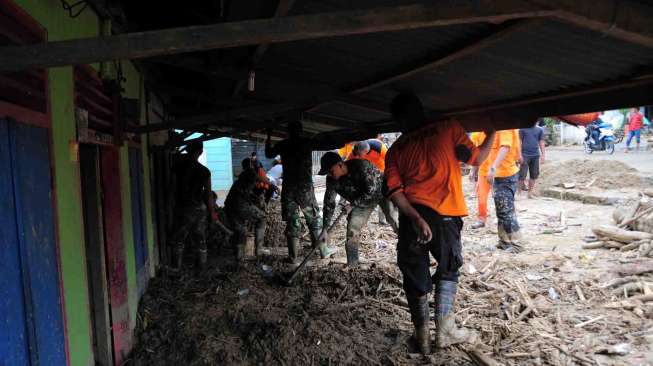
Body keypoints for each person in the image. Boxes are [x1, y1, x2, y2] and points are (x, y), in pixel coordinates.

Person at [385, 93, 495, 354]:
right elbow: (476, 159)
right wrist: (492, 132)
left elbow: (394, 191)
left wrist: (416, 218)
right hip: (444, 215)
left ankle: (421, 336)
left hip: (412, 217)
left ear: (398, 120)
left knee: (414, 272)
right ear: (422, 110)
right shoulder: (447, 127)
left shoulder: (396, 150)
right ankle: (445, 331)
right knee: (448, 268)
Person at [265, 121, 350, 264]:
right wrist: (341, 137)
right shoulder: (306, 142)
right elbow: (330, 145)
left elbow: (268, 154)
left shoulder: (283, 144)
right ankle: (323, 251)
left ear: (288, 131)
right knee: (314, 220)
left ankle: (293, 257)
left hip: (288, 188)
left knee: (292, 222)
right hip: (304, 188)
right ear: (301, 131)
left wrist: (268, 136)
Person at [318, 151, 397, 265]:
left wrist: (352, 204)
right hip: (361, 203)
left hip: (381, 193)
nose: (330, 175)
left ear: (340, 165)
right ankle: (353, 265)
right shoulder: (332, 180)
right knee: (352, 230)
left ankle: (411, 252)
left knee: (395, 220)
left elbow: (372, 190)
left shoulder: (361, 166)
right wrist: (325, 228)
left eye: (331, 171)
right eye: (327, 173)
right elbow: (329, 203)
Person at [169, 142, 213, 271]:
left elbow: (171, 189)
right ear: (200, 152)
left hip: (182, 208)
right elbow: (209, 194)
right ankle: (202, 269)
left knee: (179, 240)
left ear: (188, 150)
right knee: (201, 239)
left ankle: (176, 269)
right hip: (199, 209)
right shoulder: (205, 171)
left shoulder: (176, 167)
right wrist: (212, 213)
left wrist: (170, 206)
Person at [485, 129, 523, 252]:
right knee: (501, 210)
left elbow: (505, 146)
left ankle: (517, 245)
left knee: (506, 210)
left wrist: (493, 167)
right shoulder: (502, 127)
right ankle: (504, 241)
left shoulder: (505, 127)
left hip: (505, 174)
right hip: (501, 174)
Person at [224, 158, 268, 260]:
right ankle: (259, 250)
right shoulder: (251, 172)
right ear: (251, 165)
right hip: (240, 205)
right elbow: (264, 180)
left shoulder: (241, 177)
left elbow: (246, 191)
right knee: (262, 218)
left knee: (240, 230)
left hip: (229, 206)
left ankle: (239, 257)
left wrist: (254, 197)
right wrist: (271, 185)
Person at [351, 139, 397, 226]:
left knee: (385, 197)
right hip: (369, 175)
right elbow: (348, 163)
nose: (359, 157)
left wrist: (389, 177)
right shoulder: (355, 151)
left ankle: (387, 219)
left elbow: (391, 162)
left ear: (365, 151)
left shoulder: (379, 148)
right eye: (357, 154)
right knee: (372, 193)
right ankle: (381, 220)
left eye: (360, 155)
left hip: (383, 173)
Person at [469, 132, 491, 229]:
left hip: (501, 171)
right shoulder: (475, 135)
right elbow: (475, 154)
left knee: (502, 198)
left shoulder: (501, 131)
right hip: (484, 171)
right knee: (481, 196)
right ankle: (482, 219)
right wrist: (473, 170)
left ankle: (505, 222)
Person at [519, 121, 545, 198]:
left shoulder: (540, 130)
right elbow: (519, 142)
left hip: (535, 155)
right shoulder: (522, 129)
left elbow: (541, 142)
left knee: (534, 175)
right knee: (522, 175)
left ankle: (530, 193)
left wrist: (543, 155)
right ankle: (518, 193)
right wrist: (519, 154)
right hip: (524, 155)